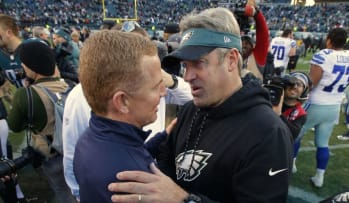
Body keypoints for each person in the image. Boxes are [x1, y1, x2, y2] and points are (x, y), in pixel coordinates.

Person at [107, 7, 293, 202]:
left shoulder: (269, 133)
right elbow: (166, 165)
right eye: (186, 65)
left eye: (198, 63)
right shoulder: (190, 110)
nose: (187, 77)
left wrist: (184, 200)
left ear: (231, 60)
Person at [62, 32, 192, 201]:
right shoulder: (135, 183)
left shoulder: (89, 139)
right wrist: (183, 199)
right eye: (155, 87)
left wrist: (160, 139)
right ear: (122, 101)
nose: (163, 92)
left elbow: (124, 152)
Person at [7, 40, 77, 202]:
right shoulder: (70, 84)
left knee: (62, 192)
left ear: (31, 67)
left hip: (51, 156)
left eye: (24, 64)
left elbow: (14, 126)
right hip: (76, 150)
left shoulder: (26, 95)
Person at [294, 28, 349, 188]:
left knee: (295, 135)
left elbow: (312, 83)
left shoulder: (323, 55)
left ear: (329, 39)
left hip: (316, 103)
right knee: (323, 143)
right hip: (334, 104)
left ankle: (292, 165)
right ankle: (319, 177)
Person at [0, 14, 26, 202]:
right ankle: (16, 193)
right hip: (23, 102)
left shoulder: (30, 47)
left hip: (40, 100)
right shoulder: (3, 54)